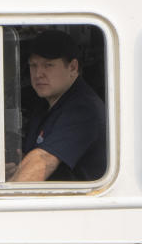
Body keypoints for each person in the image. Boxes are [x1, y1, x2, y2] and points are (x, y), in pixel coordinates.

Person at [8, 30, 106, 182]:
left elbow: (43, 160)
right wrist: (18, 169)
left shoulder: (84, 109)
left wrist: (4, 197)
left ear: (73, 67)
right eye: (33, 65)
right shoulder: (46, 102)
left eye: (48, 65)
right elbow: (35, 156)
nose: (38, 73)